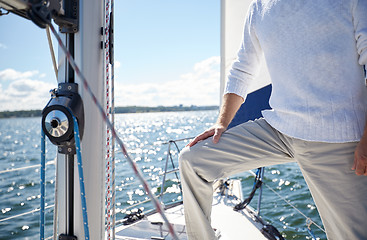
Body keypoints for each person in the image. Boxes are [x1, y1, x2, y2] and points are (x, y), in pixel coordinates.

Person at [179, 0, 367, 239]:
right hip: (277, 129)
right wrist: (222, 122)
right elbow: (242, 69)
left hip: (334, 136)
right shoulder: (260, 6)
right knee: (193, 160)